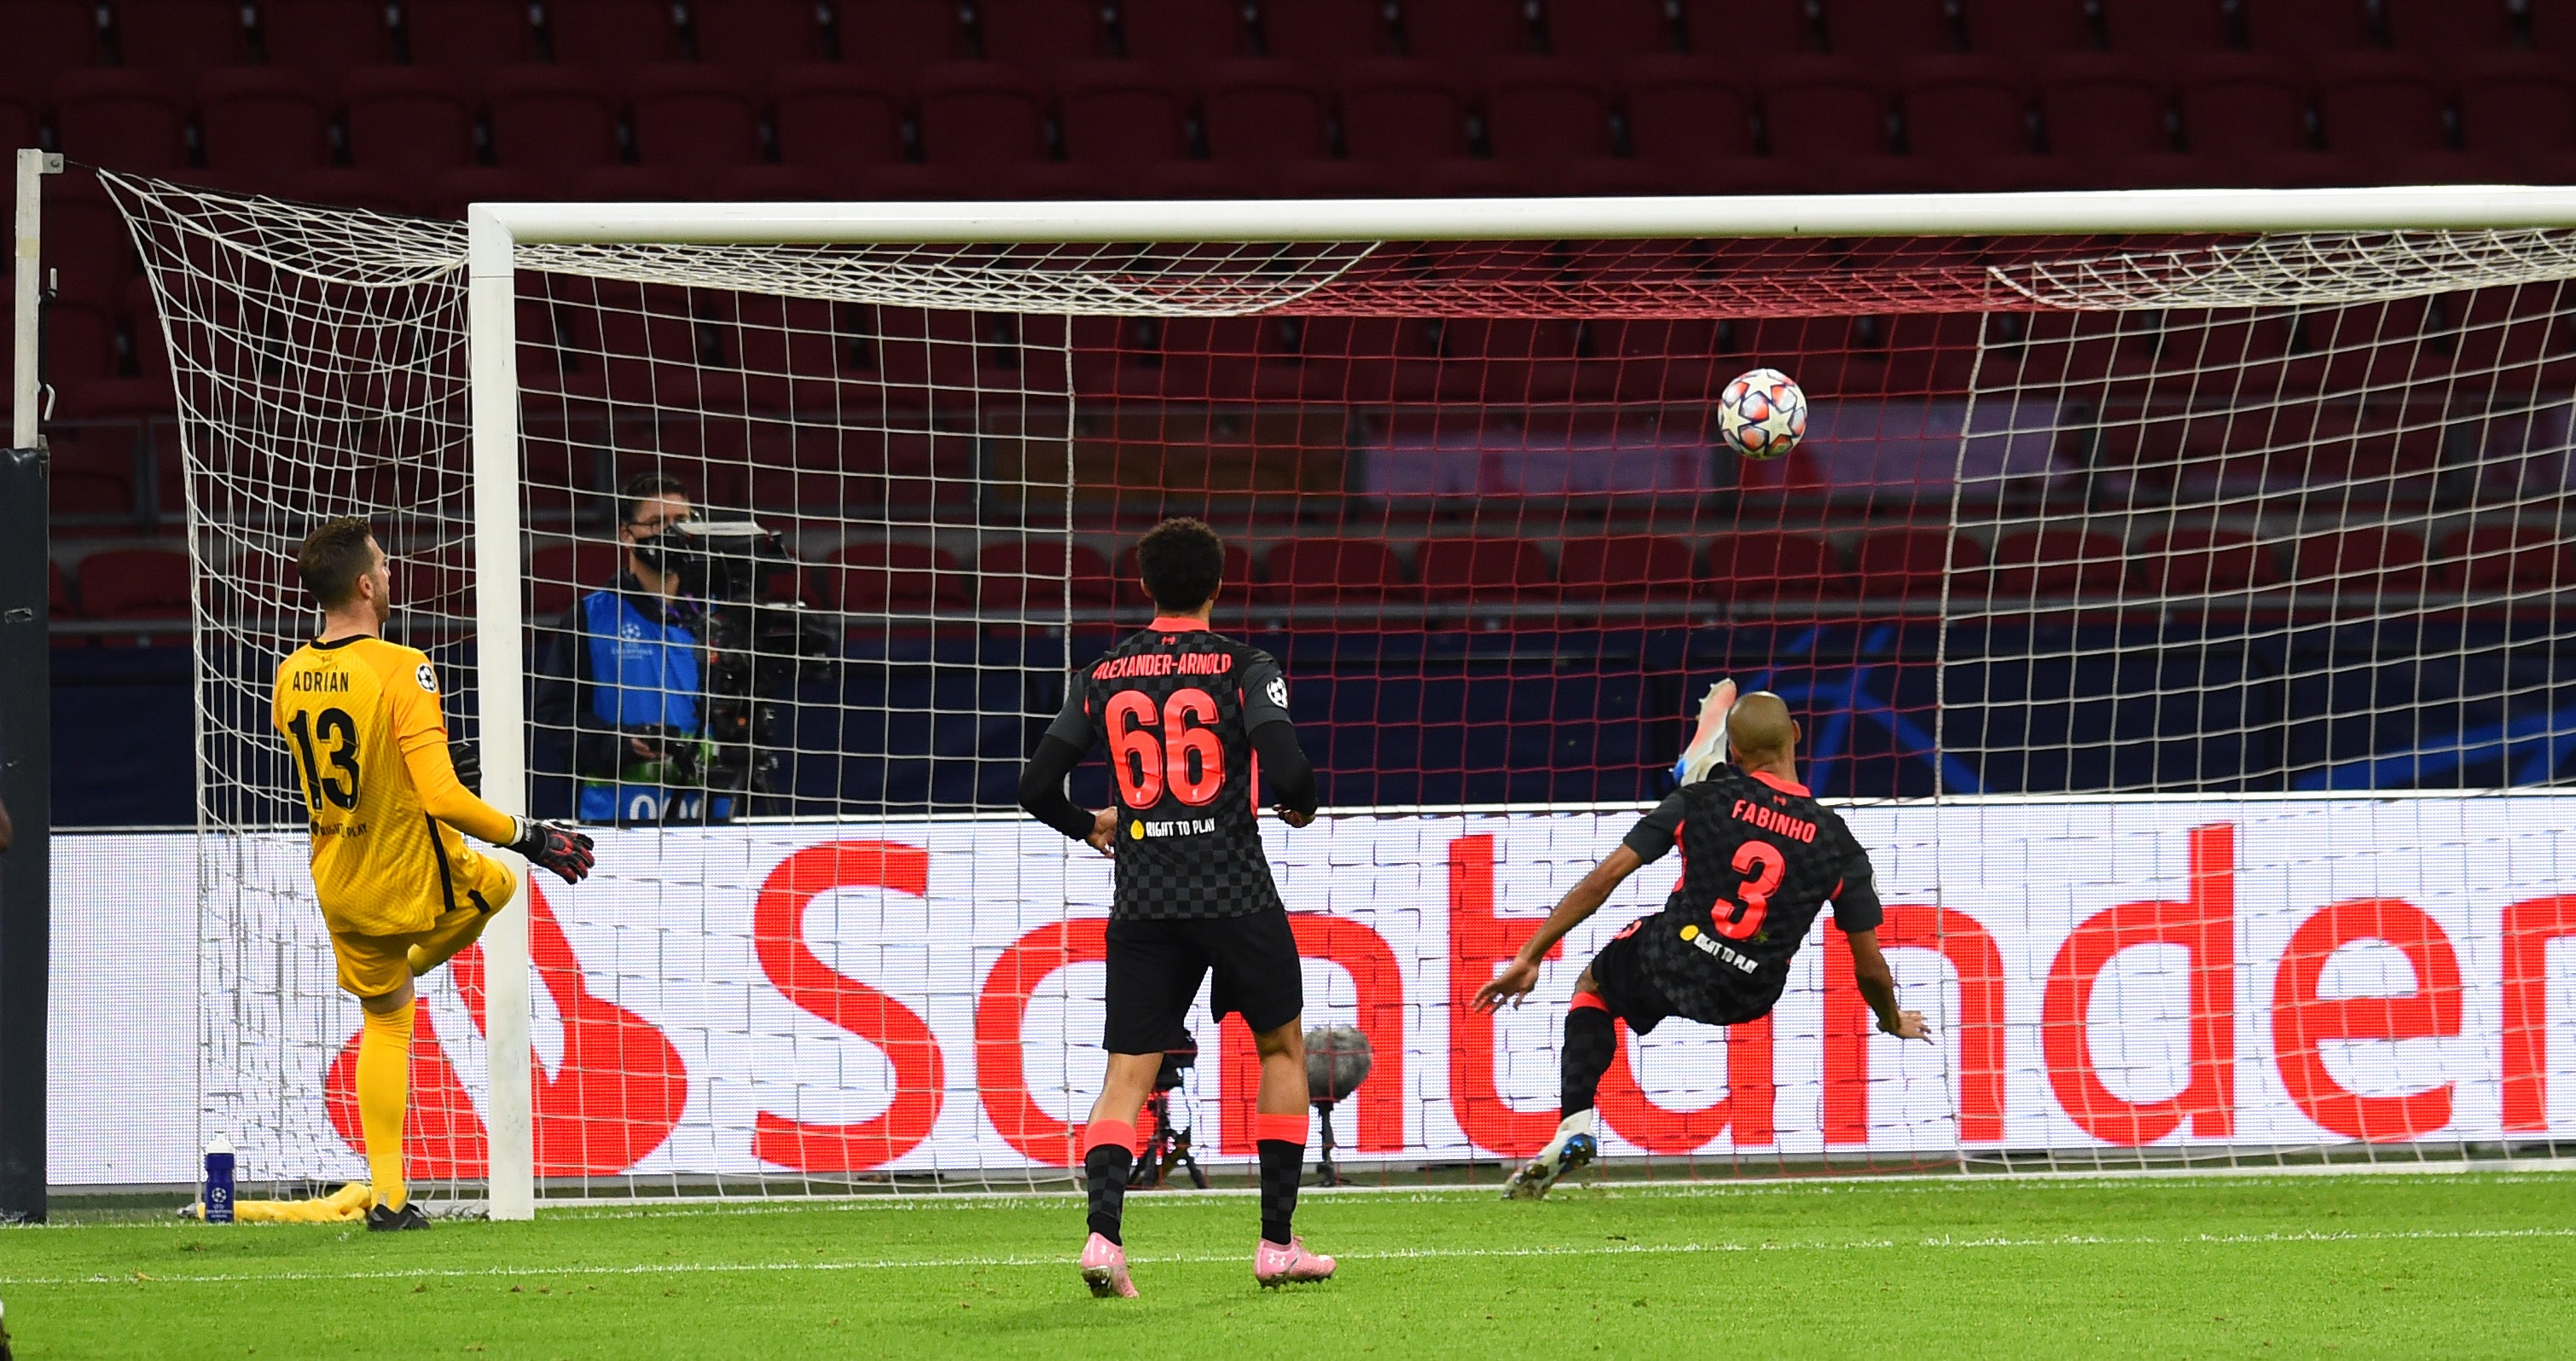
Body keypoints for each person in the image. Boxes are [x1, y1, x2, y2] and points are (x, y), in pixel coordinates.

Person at [1016, 517, 1335, 1297]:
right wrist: (1301, 806)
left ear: (1145, 586)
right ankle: (1276, 1244)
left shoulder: (1103, 673)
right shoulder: (1243, 666)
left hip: (1146, 895)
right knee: (1281, 1052)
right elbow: (1289, 771)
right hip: (1233, 890)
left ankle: (1102, 1239)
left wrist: (1091, 824)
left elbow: (1033, 789)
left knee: (1128, 1074)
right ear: (1218, 586)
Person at [1473, 686, 1929, 1199]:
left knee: (1596, 983)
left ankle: (1575, 1123)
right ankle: (1697, 759)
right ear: (1796, 734)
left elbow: (1603, 882)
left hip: (1676, 956)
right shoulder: (1840, 844)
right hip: (1750, 992)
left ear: (1737, 754)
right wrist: (1890, 1019)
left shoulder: (1699, 804)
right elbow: (1868, 966)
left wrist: (1529, 955)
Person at [272, 517, 596, 1230]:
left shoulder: (291, 672)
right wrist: (532, 836)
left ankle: (389, 1201)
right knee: (503, 883)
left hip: (339, 879)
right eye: (384, 567)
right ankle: (419, 959)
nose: (391, 575)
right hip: (408, 874)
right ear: (364, 583)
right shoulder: (403, 665)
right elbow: (442, 797)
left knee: (387, 1020)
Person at [534, 472, 732, 825]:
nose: (672, 533)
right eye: (658, 522)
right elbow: (556, 714)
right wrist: (621, 744)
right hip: (612, 816)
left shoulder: (718, 617)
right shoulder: (590, 616)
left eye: (681, 522)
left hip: (710, 819)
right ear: (626, 533)